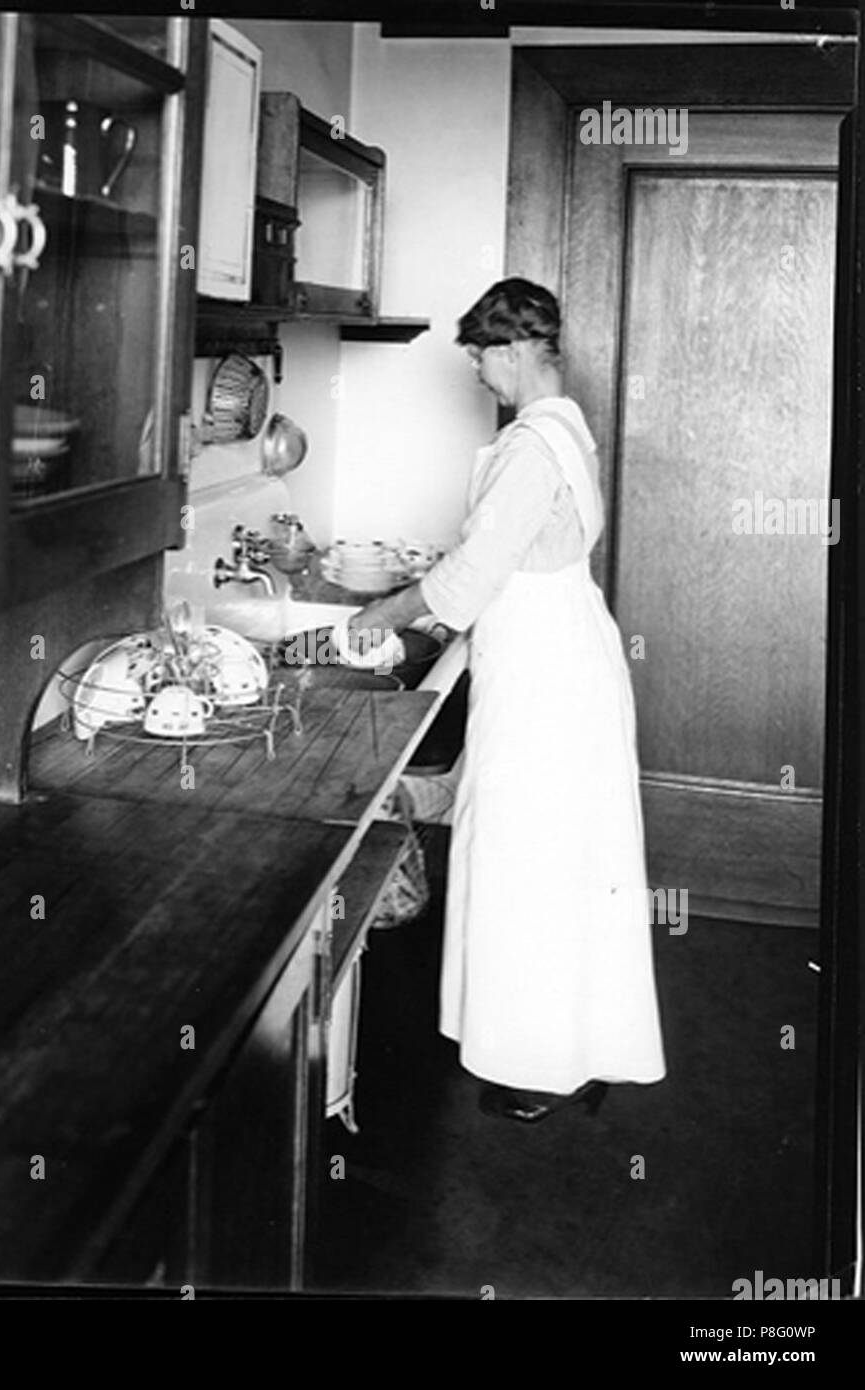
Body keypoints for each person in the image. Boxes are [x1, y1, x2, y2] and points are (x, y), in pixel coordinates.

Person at [347, 277, 666, 1122]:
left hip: (545, 676)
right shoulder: (564, 431)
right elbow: (498, 567)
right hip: (557, 658)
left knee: (530, 862)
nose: (481, 375)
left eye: (483, 356)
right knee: (567, 860)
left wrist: (381, 613)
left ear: (515, 346)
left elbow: (471, 575)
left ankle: (538, 1065)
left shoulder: (531, 445)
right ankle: (575, 1049)